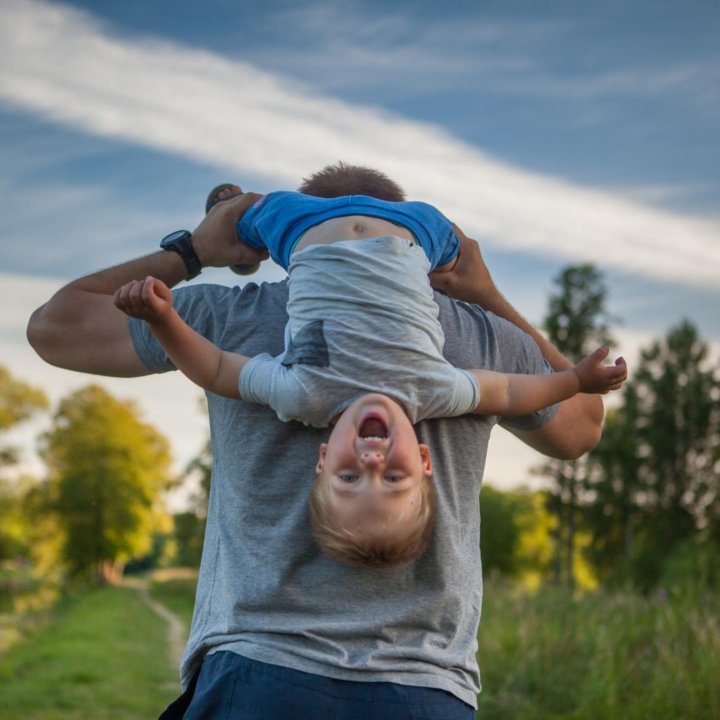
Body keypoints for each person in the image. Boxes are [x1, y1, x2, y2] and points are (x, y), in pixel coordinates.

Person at [27, 162, 612, 719]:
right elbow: (581, 426)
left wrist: (195, 250)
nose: (371, 458)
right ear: (411, 235)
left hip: (260, 667)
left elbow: (54, 328)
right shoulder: (480, 338)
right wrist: (484, 293)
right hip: (426, 687)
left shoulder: (234, 316)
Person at [112, 191, 626, 568]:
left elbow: (219, 368)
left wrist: (165, 320)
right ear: (424, 461)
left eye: (349, 477)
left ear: (321, 460)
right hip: (415, 234)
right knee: (450, 245)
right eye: (394, 478)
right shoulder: (434, 394)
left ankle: (233, 214)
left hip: (301, 234)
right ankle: (240, 218)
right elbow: (513, 392)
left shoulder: (302, 395)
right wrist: (575, 379)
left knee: (249, 217)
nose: (372, 461)